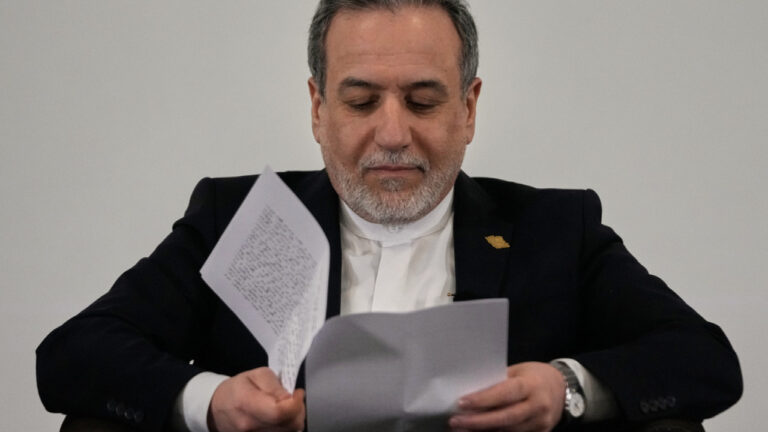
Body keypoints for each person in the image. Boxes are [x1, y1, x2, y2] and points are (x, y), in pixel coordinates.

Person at [36, 1, 742, 431]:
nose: (394, 133)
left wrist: (565, 389)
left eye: (424, 101)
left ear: (469, 108)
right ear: (319, 108)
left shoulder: (554, 228)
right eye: (362, 101)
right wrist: (211, 402)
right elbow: (75, 354)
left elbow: (702, 358)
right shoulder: (241, 219)